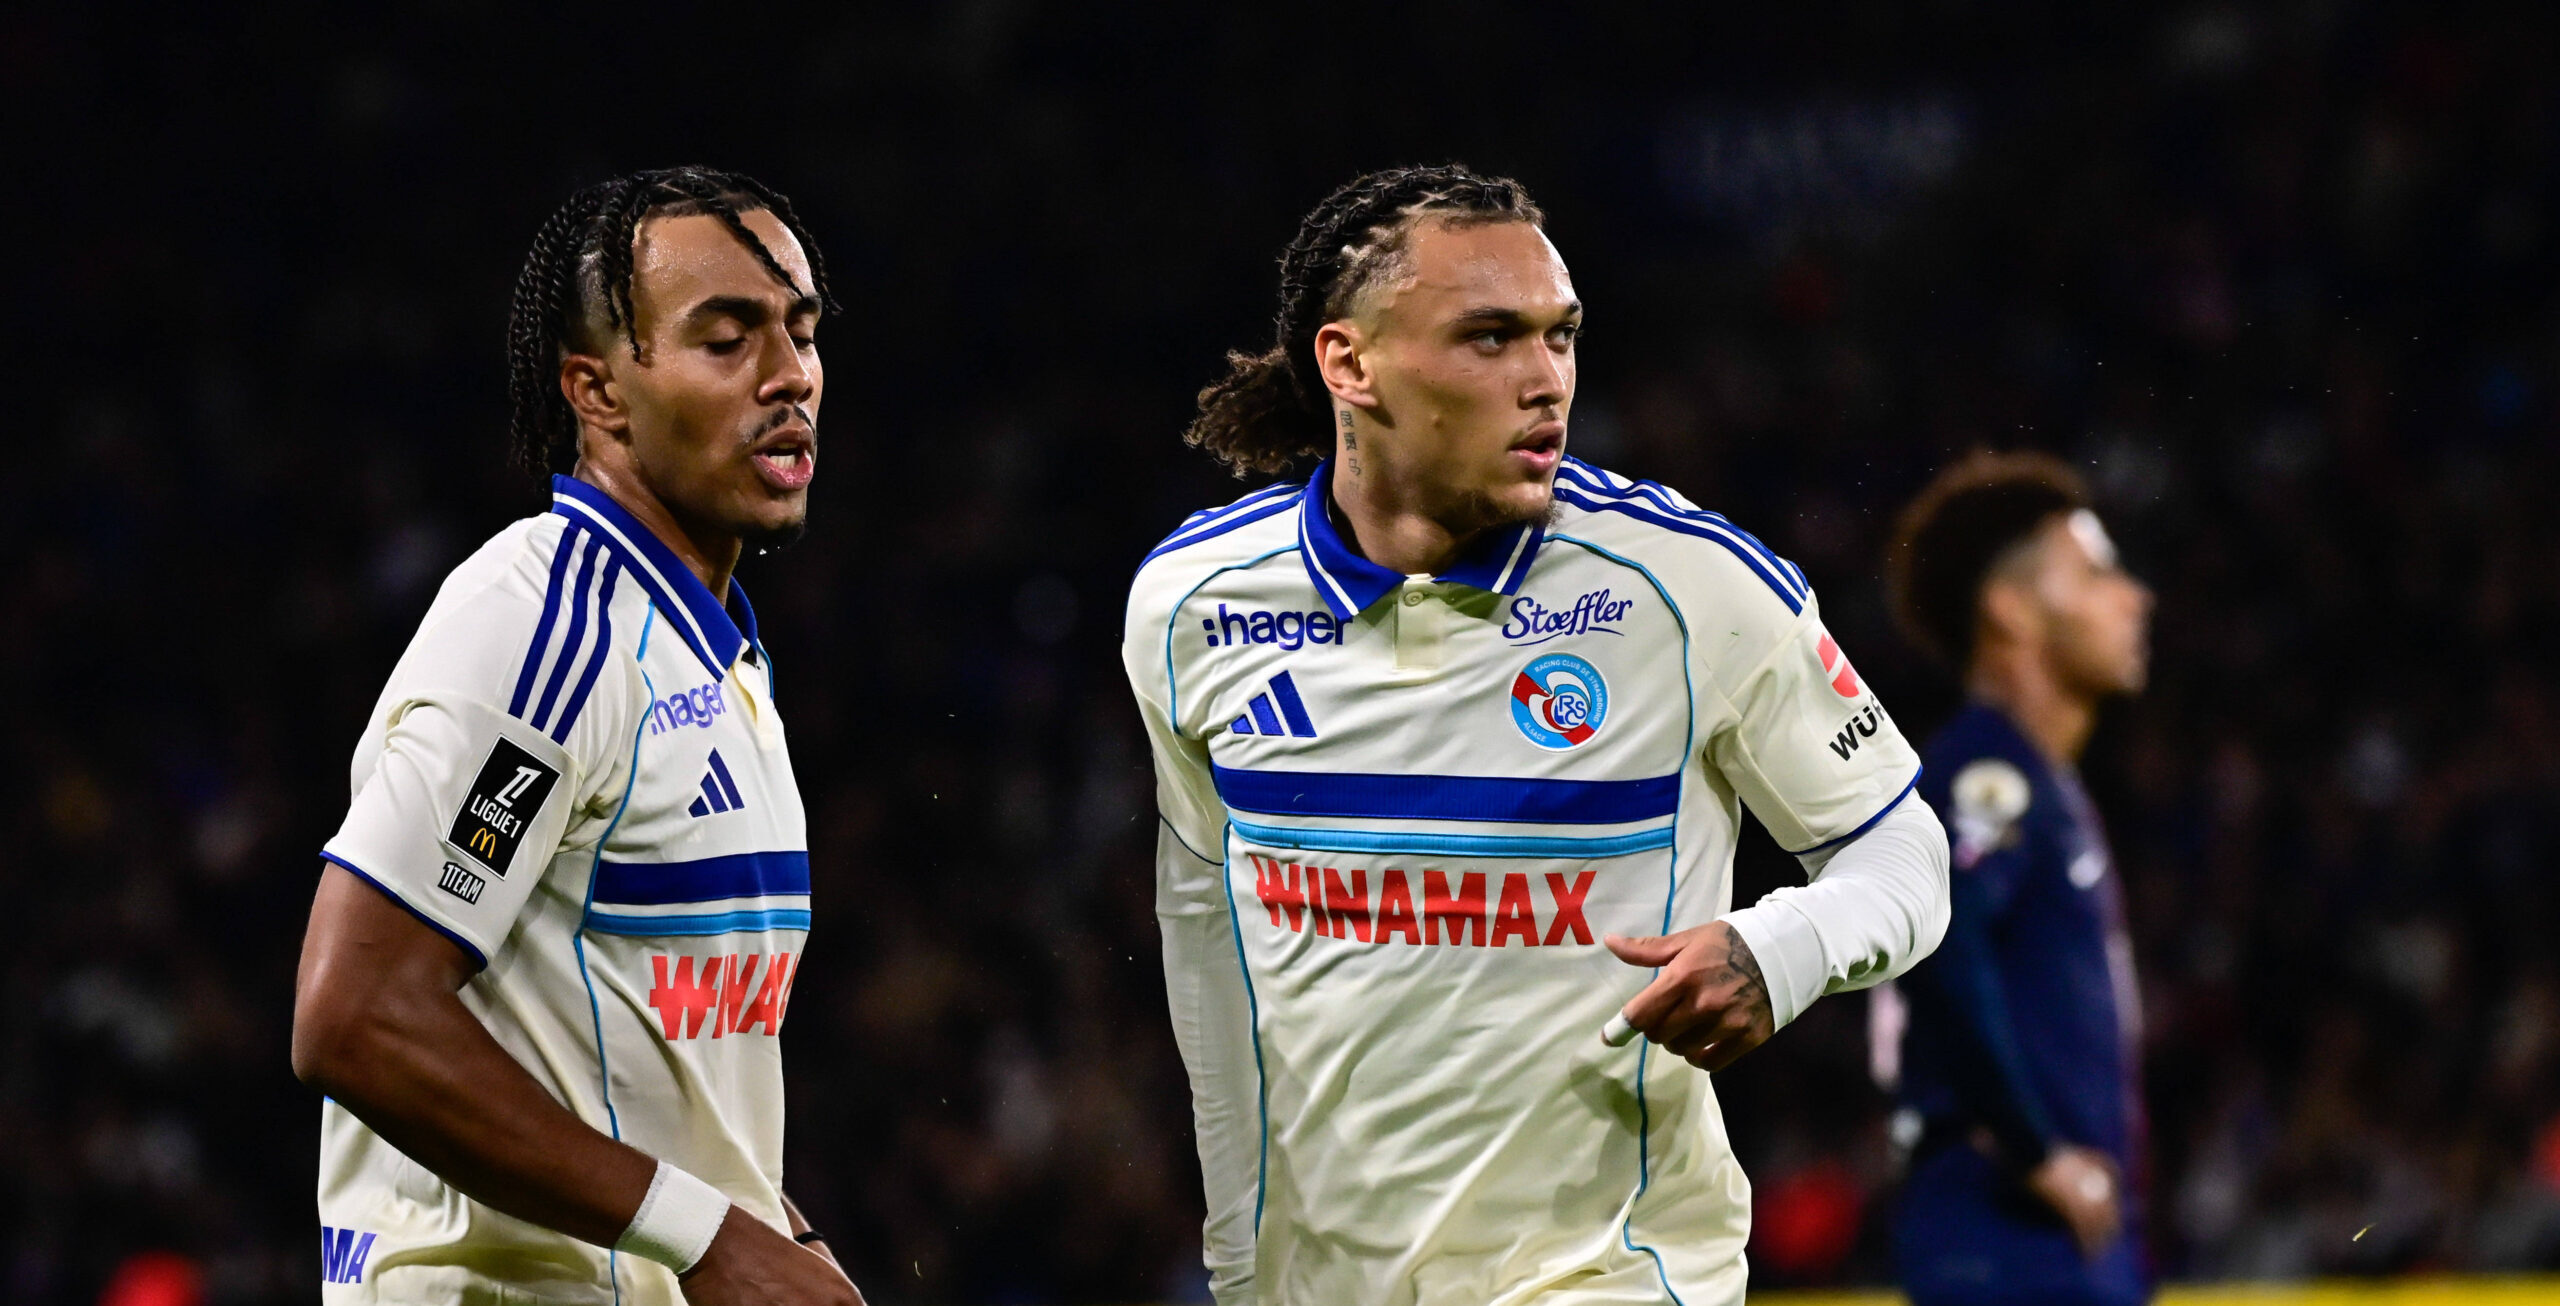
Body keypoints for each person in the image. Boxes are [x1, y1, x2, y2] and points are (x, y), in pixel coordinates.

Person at [1121, 163, 1952, 1306]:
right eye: (1490, 338)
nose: (1545, 379)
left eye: (1559, 336)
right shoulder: (1192, 603)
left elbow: (1903, 855)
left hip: (1611, 1273)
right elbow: (1205, 921)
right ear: (1346, 363)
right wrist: (1239, 1248)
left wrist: (1783, 948)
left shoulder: (1685, 588)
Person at [290, 166, 862, 1306]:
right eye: (726, 339)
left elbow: (645, 1061)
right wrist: (714, 1239)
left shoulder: (709, 652)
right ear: (598, 391)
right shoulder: (541, 630)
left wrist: (772, 1228)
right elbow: (354, 1015)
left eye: (799, 333)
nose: (789, 375)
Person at [1878, 451, 2155, 1306]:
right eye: (2095, 572)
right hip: (2005, 1231)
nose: (2133, 596)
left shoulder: (2037, 784)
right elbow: (1942, 950)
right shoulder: (1982, 776)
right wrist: (2037, 1153)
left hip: (2050, 1234)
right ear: (2012, 610)